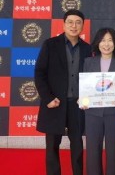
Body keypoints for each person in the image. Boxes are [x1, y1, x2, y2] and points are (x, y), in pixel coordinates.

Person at [34, 9, 91, 175]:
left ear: (83, 25)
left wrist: (86, 98)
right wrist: (48, 98)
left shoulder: (87, 49)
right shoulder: (50, 44)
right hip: (55, 103)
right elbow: (39, 73)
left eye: (78, 22)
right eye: (70, 22)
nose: (74, 26)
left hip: (77, 104)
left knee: (78, 146)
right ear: (64, 24)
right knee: (52, 146)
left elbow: (91, 77)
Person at [81, 28, 115, 175]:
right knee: (92, 149)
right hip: (93, 112)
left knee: (114, 149)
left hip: (114, 112)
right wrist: (84, 100)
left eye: (110, 40)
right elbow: (85, 86)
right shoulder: (88, 62)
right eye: (103, 40)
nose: (106, 44)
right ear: (97, 43)